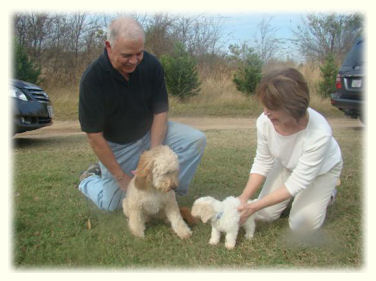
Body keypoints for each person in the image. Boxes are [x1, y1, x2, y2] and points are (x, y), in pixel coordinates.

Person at [78, 16, 206, 211]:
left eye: (139, 53)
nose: (134, 61)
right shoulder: (92, 80)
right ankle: (88, 179)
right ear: (109, 46)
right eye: (127, 55)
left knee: (195, 140)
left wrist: (153, 155)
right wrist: (121, 177)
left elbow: (160, 112)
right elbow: (94, 137)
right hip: (118, 146)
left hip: (150, 134)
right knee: (113, 204)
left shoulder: (151, 65)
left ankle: (168, 192)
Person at [237, 67, 343, 232]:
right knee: (264, 215)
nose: (265, 113)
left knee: (301, 226)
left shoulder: (320, 133)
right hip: (287, 164)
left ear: (292, 108)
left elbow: (298, 181)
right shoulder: (264, 122)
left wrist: (253, 206)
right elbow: (262, 161)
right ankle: (296, 197)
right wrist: (243, 199)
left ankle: (327, 193)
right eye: (265, 106)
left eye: (271, 108)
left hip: (322, 171)